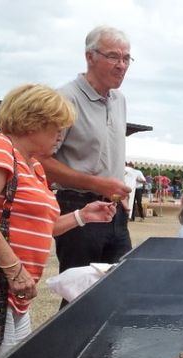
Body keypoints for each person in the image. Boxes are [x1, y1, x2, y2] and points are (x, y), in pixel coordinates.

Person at [0, 84, 116, 358]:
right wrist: (14, 269)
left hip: (12, 296)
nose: (60, 134)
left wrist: (83, 215)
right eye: (57, 126)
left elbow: (39, 227)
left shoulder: (34, 166)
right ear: (33, 122)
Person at [40, 26, 133, 287]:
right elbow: (41, 161)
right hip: (76, 206)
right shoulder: (64, 99)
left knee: (120, 287)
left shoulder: (119, 100)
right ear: (90, 57)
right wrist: (96, 183)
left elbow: (104, 153)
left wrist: (115, 186)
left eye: (127, 58)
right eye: (114, 56)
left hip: (113, 210)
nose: (122, 65)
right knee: (79, 295)